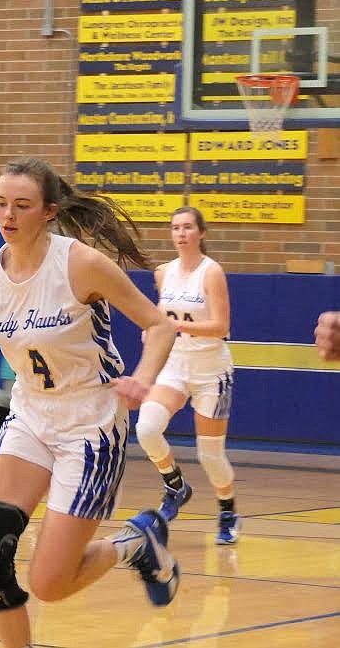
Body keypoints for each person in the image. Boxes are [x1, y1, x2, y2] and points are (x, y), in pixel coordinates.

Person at [0, 157, 179, 648]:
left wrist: (143, 378)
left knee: (50, 583)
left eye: (21, 205)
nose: (7, 215)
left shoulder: (80, 264)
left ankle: (138, 541)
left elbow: (159, 326)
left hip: (91, 421)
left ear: (49, 212)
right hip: (30, 414)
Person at [135, 206, 240, 544]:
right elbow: (158, 318)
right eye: (175, 227)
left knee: (210, 454)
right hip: (175, 364)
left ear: (201, 233)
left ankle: (227, 511)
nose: (180, 233)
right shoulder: (163, 273)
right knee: (147, 428)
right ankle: (176, 485)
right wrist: (153, 331)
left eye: (187, 227)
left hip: (211, 370)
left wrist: (174, 325)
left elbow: (222, 327)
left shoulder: (212, 272)